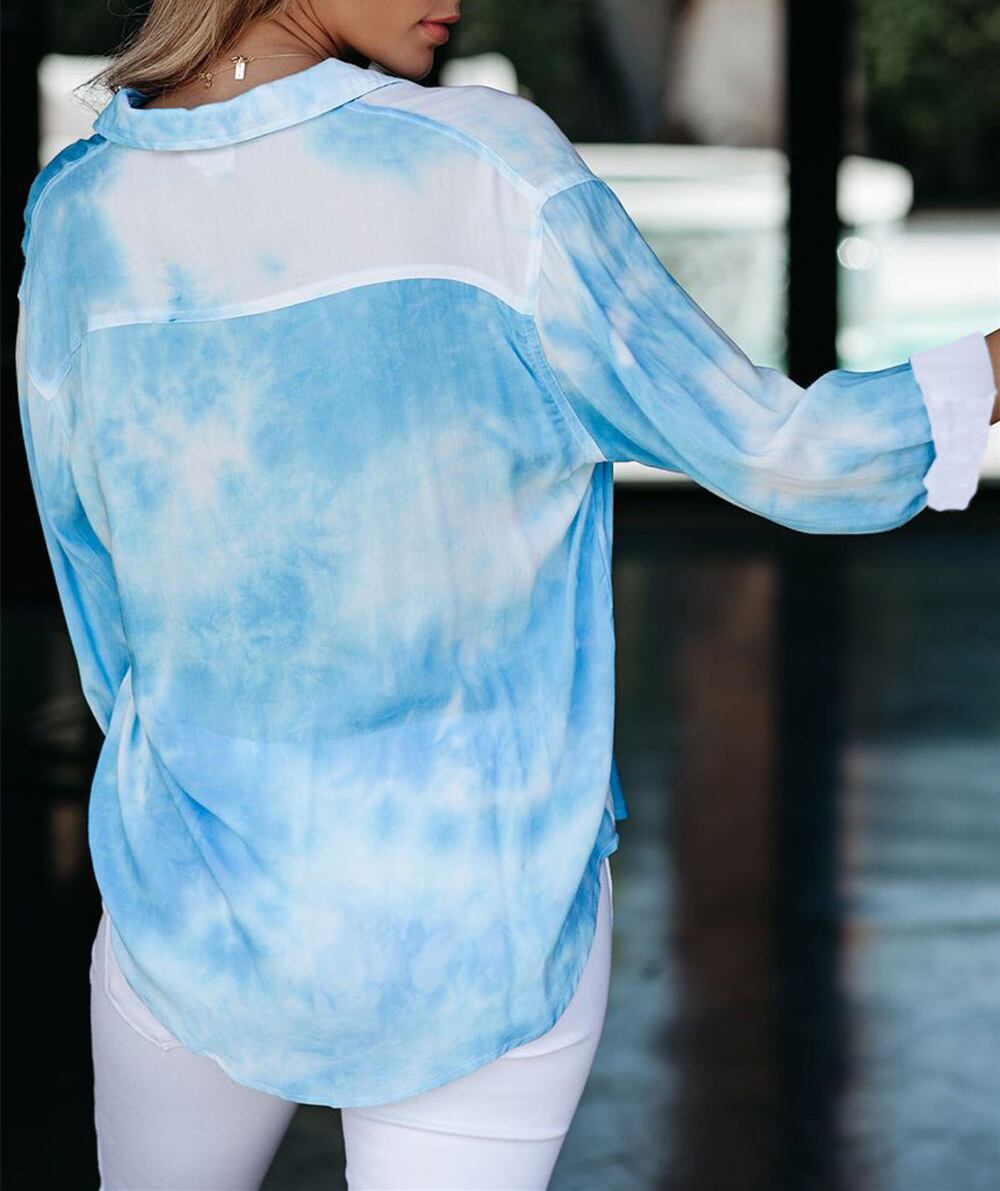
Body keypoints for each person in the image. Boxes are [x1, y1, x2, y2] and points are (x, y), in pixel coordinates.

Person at [15, 1, 999, 1188]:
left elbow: (94, 579)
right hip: (477, 910)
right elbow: (783, 452)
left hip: (188, 892)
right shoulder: (487, 169)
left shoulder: (81, 212)